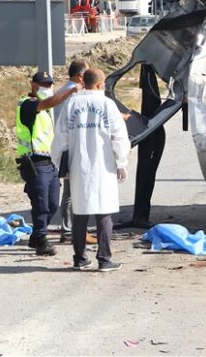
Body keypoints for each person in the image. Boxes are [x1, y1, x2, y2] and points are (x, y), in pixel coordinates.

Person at [51, 68, 131, 272]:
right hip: (103, 166)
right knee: (104, 213)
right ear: (99, 84)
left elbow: (60, 137)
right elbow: (119, 137)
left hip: (78, 166)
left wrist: (61, 164)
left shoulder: (72, 104)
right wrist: (122, 162)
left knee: (80, 212)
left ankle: (79, 258)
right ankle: (104, 259)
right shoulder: (107, 105)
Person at [16, 70, 77, 256]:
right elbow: (50, 102)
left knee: (52, 205)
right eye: (43, 85)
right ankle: (41, 240)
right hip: (35, 164)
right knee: (41, 205)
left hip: (49, 164)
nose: (47, 88)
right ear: (33, 85)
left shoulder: (44, 110)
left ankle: (36, 236)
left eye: (50, 85)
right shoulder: (28, 105)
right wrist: (71, 91)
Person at [115, 64, 165, 230]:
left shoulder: (153, 120)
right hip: (151, 137)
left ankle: (141, 215)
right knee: (145, 176)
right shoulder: (153, 119)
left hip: (152, 138)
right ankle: (140, 215)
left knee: (146, 175)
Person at [57, 59, 97, 245]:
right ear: (81, 76)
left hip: (66, 147)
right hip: (72, 147)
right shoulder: (74, 94)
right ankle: (70, 230)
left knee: (70, 191)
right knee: (73, 192)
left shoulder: (64, 90)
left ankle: (71, 229)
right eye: (88, 74)